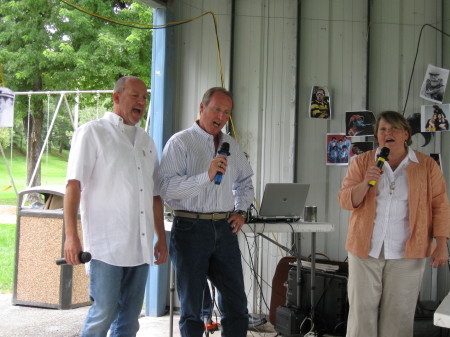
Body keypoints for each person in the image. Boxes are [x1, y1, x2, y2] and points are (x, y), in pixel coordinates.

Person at [63, 76, 168, 337]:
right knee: (103, 313)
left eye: (144, 97)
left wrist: (161, 237)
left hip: (140, 246)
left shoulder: (146, 141)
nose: (141, 102)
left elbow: (155, 195)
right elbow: (73, 185)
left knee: (130, 320)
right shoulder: (93, 132)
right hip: (106, 246)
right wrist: (71, 236)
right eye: (135, 96)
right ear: (117, 97)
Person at [338, 110, 450, 337]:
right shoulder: (362, 162)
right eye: (382, 129)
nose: (388, 133)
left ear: (406, 134)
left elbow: (440, 205)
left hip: (408, 254)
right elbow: (346, 200)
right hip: (365, 251)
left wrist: (441, 243)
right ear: (377, 136)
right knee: (361, 314)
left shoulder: (427, 166)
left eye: (394, 128)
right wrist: (366, 183)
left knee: (398, 316)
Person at [159, 87, 254, 337]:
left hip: (224, 228)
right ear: (201, 108)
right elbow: (167, 189)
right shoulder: (180, 142)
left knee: (236, 303)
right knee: (192, 308)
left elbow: (245, 181)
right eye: (216, 109)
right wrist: (207, 176)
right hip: (190, 228)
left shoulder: (229, 144)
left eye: (226, 112)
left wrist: (241, 210)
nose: (221, 116)